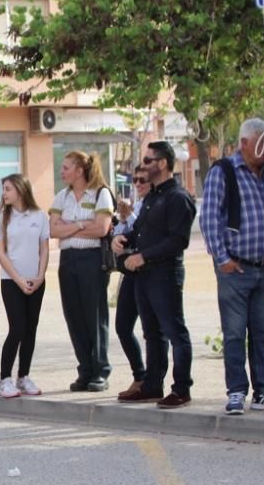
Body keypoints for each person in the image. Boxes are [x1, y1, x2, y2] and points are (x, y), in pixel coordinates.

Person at [198, 118, 264, 416]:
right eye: (262, 141)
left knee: (262, 331)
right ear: (244, 143)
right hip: (236, 269)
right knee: (233, 332)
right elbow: (210, 218)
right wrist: (222, 259)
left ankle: (263, 392)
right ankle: (236, 392)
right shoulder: (225, 171)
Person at [113, 142, 197, 410]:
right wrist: (123, 240)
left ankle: (181, 388)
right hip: (144, 275)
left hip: (164, 274)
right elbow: (139, 231)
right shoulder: (152, 197)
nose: (144, 165)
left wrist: (144, 256)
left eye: (149, 160)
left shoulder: (177, 197)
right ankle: (152, 385)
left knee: (174, 332)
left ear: (162, 164)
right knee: (152, 333)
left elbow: (178, 241)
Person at [49, 151, 114, 392]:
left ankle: (100, 370)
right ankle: (84, 368)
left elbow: (101, 228)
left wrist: (70, 228)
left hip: (91, 259)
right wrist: (80, 225)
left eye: (66, 167)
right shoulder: (61, 197)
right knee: (74, 316)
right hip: (68, 260)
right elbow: (53, 230)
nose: (62, 171)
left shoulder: (100, 194)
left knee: (94, 316)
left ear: (79, 171)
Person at [0, 174, 50, 398]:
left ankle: (23, 376)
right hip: (11, 281)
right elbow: (0, 252)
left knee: (30, 330)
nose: (4, 193)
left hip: (36, 281)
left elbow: (44, 248)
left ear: (20, 189)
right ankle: (4, 379)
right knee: (17, 328)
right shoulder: (1, 219)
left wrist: (40, 276)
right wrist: (18, 279)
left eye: (8, 188)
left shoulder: (39, 216)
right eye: (3, 189)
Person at [113, 167, 150, 399]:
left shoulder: (155, 205)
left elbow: (146, 232)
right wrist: (117, 235)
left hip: (150, 272)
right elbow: (124, 234)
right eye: (135, 180)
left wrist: (129, 217)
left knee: (153, 330)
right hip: (130, 272)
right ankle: (140, 375)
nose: (137, 183)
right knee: (123, 326)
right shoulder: (137, 206)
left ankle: (153, 380)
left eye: (142, 180)